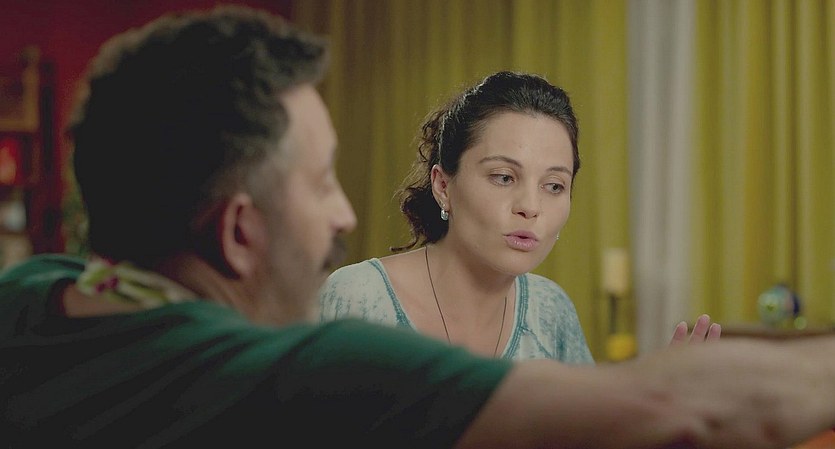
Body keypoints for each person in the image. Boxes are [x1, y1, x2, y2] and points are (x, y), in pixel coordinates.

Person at [2, 5, 835, 448]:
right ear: (239, 232)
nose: (346, 211)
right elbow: (694, 411)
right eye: (321, 182)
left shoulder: (31, 295)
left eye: (554, 184)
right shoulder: (301, 371)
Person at [319, 71, 720, 360]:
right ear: (443, 185)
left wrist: (659, 412)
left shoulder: (551, 311)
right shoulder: (358, 299)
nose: (530, 206)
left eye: (554, 186)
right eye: (504, 177)